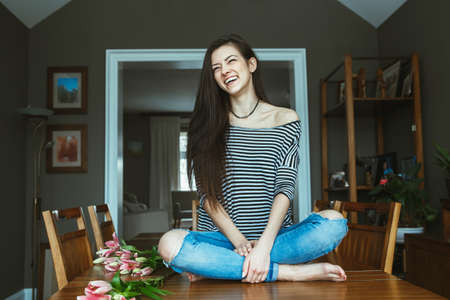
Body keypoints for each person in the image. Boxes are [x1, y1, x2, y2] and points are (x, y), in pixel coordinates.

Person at [158, 34, 348, 283]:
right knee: (168, 243)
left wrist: (264, 247)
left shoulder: (285, 119)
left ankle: (222, 269)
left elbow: (285, 186)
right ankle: (285, 272)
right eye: (216, 68)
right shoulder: (204, 126)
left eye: (231, 61)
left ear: (251, 64)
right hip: (224, 241)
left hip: (275, 239)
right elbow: (208, 196)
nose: (224, 71)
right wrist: (240, 243)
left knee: (335, 222)